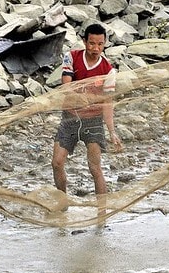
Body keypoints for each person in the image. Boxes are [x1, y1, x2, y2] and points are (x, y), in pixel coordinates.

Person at [52, 23, 123, 198]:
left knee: (94, 168)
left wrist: (112, 132)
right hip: (70, 119)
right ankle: (63, 202)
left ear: (105, 43)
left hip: (93, 122)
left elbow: (107, 103)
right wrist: (78, 98)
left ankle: (102, 213)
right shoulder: (72, 57)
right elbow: (66, 85)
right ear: (84, 42)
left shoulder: (108, 70)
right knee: (57, 163)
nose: (96, 48)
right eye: (92, 43)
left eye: (100, 44)